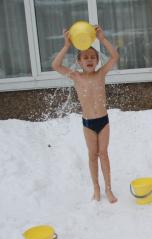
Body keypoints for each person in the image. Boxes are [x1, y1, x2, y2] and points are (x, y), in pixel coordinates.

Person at [52, 25, 119, 203]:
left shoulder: (101, 73)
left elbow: (114, 57)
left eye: (92, 57)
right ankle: (96, 188)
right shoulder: (76, 76)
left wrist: (102, 39)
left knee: (103, 153)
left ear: (97, 61)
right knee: (92, 155)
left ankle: (108, 188)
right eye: (85, 57)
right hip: (88, 123)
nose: (89, 60)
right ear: (79, 62)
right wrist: (67, 45)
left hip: (103, 121)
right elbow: (56, 65)